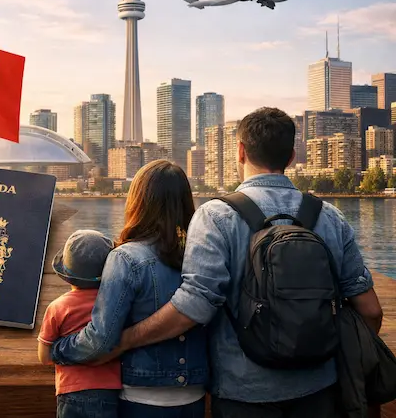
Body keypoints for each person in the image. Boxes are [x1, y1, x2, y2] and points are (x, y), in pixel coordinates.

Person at [112, 107, 384, 417]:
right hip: (319, 386)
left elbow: (194, 306)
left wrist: (123, 340)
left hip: (243, 391)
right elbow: (371, 311)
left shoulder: (215, 216)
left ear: (240, 152)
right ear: (292, 156)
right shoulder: (330, 217)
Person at [50, 160, 209, 418]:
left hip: (142, 397)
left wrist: (57, 349)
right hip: (194, 395)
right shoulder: (200, 254)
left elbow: (101, 339)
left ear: (138, 201)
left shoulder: (126, 258)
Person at [38, 229, 122, 418]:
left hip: (72, 392)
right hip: (111, 392)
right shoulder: (115, 305)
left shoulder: (58, 307)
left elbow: (44, 357)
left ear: (67, 275)